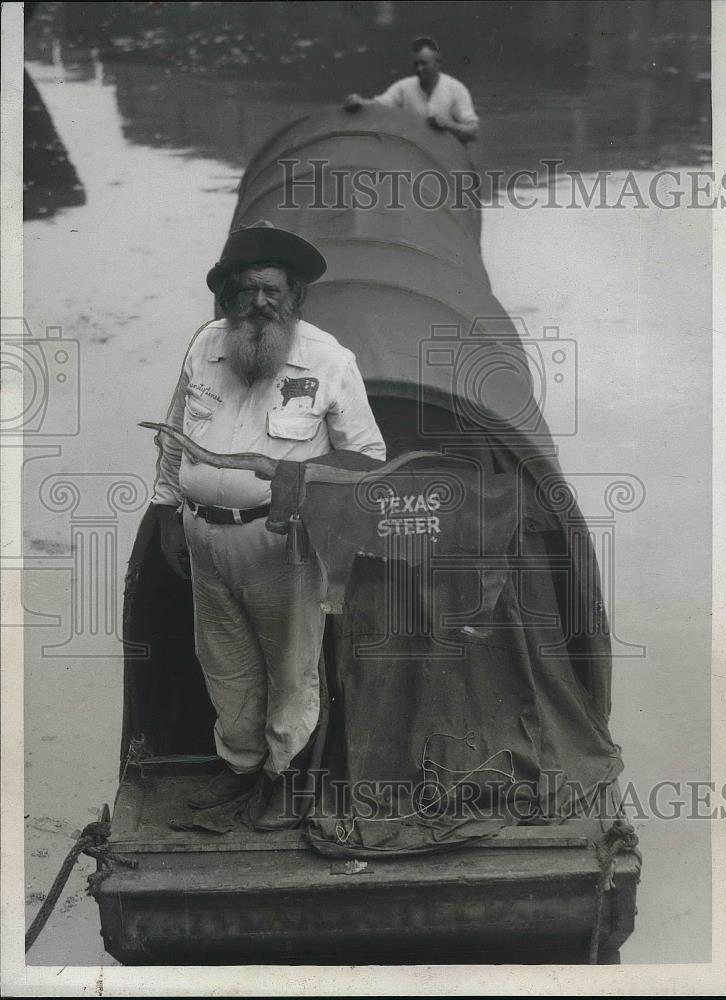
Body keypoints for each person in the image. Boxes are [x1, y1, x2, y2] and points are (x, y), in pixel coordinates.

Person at [150, 220, 386, 826]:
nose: (258, 303)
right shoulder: (206, 344)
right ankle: (240, 772)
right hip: (204, 535)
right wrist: (166, 511)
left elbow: (368, 460)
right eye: (247, 291)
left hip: (283, 545)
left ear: (294, 298)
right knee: (223, 660)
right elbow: (175, 434)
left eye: (272, 292)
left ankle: (282, 786)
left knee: (289, 666)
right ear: (228, 296)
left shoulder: (330, 360)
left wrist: (293, 475)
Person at [344, 36, 479, 145]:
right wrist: (359, 101)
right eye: (416, 64)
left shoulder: (456, 88)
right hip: (417, 155)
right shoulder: (404, 87)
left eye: (424, 63)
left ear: (438, 63)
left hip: (448, 158)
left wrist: (448, 125)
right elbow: (378, 105)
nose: (419, 69)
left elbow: (473, 132)